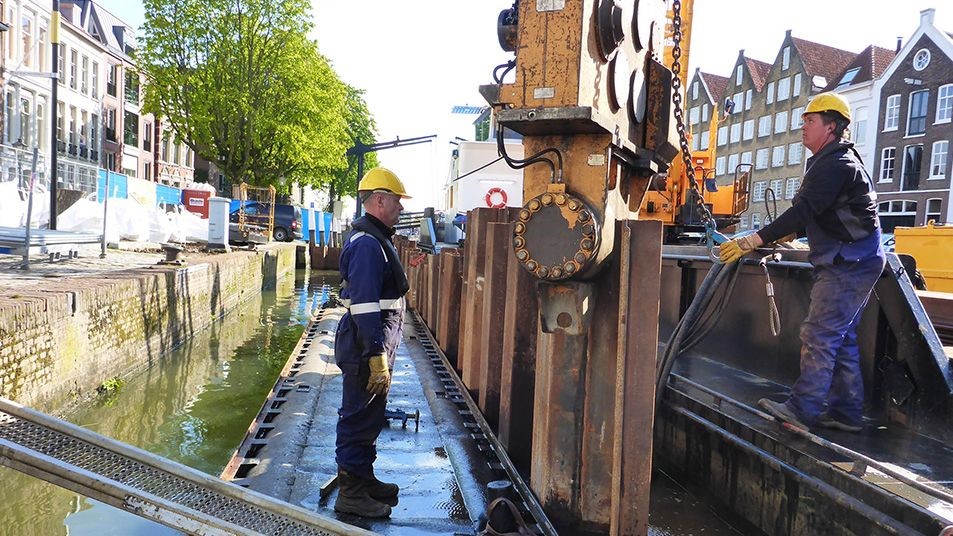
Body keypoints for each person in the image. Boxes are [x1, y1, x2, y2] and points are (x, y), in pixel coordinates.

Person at [720, 92, 884, 433]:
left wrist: (754, 239)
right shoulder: (831, 161)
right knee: (842, 338)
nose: (803, 128)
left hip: (848, 263)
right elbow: (815, 213)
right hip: (855, 259)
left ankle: (801, 409)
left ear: (833, 126)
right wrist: (782, 236)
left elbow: (803, 211)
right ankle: (846, 412)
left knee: (819, 335)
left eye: (810, 121)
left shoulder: (837, 165)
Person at [334, 167, 411, 518]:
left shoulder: (375, 240)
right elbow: (365, 307)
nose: (401, 208)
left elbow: (378, 294)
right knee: (357, 418)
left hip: (375, 344)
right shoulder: (367, 244)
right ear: (379, 200)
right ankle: (351, 493)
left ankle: (363, 479)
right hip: (368, 346)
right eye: (397, 202)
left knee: (370, 416)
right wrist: (376, 355)